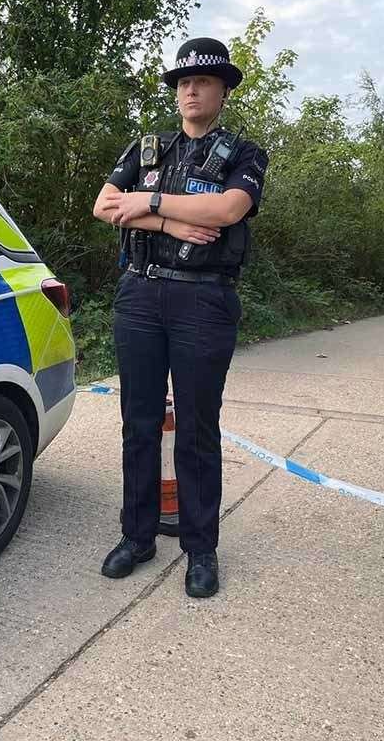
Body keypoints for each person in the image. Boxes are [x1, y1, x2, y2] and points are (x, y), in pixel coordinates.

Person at [91, 37, 269, 598]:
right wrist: (167, 223)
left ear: (222, 91)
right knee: (138, 422)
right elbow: (103, 206)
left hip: (204, 301)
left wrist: (149, 204)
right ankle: (137, 536)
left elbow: (227, 209)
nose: (190, 89)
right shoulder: (148, 150)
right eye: (183, 83)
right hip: (140, 296)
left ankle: (200, 548)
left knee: (195, 428)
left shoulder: (245, 154)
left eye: (203, 81)